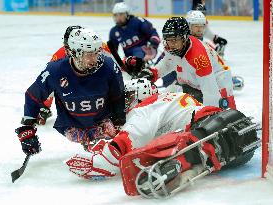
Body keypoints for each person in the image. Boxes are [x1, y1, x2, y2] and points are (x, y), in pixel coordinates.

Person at [65, 78, 259, 186]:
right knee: (167, 142)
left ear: (141, 95)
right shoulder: (170, 97)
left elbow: (131, 136)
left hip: (210, 135)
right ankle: (186, 162)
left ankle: (180, 163)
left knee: (162, 150)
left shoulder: (145, 108)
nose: (125, 102)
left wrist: (101, 159)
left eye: (129, 96)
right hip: (231, 125)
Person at [15, 27, 126, 156]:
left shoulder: (108, 66)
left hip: (103, 122)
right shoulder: (54, 70)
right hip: (73, 127)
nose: (94, 59)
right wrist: (27, 128)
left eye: (96, 53)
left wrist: (120, 122)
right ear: (73, 53)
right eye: (89, 54)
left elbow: (118, 96)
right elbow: (33, 96)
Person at [137, 17, 236, 109]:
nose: (171, 44)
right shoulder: (174, 47)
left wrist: (209, 113)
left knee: (225, 113)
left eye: (175, 40)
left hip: (218, 82)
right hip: (191, 81)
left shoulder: (199, 57)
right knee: (164, 102)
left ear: (185, 37)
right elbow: (167, 63)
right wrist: (153, 73)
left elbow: (210, 92)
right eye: (168, 40)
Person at [186, 10, 244, 91]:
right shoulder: (182, 43)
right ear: (189, 26)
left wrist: (224, 77)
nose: (199, 29)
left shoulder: (205, 46)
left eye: (202, 26)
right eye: (196, 26)